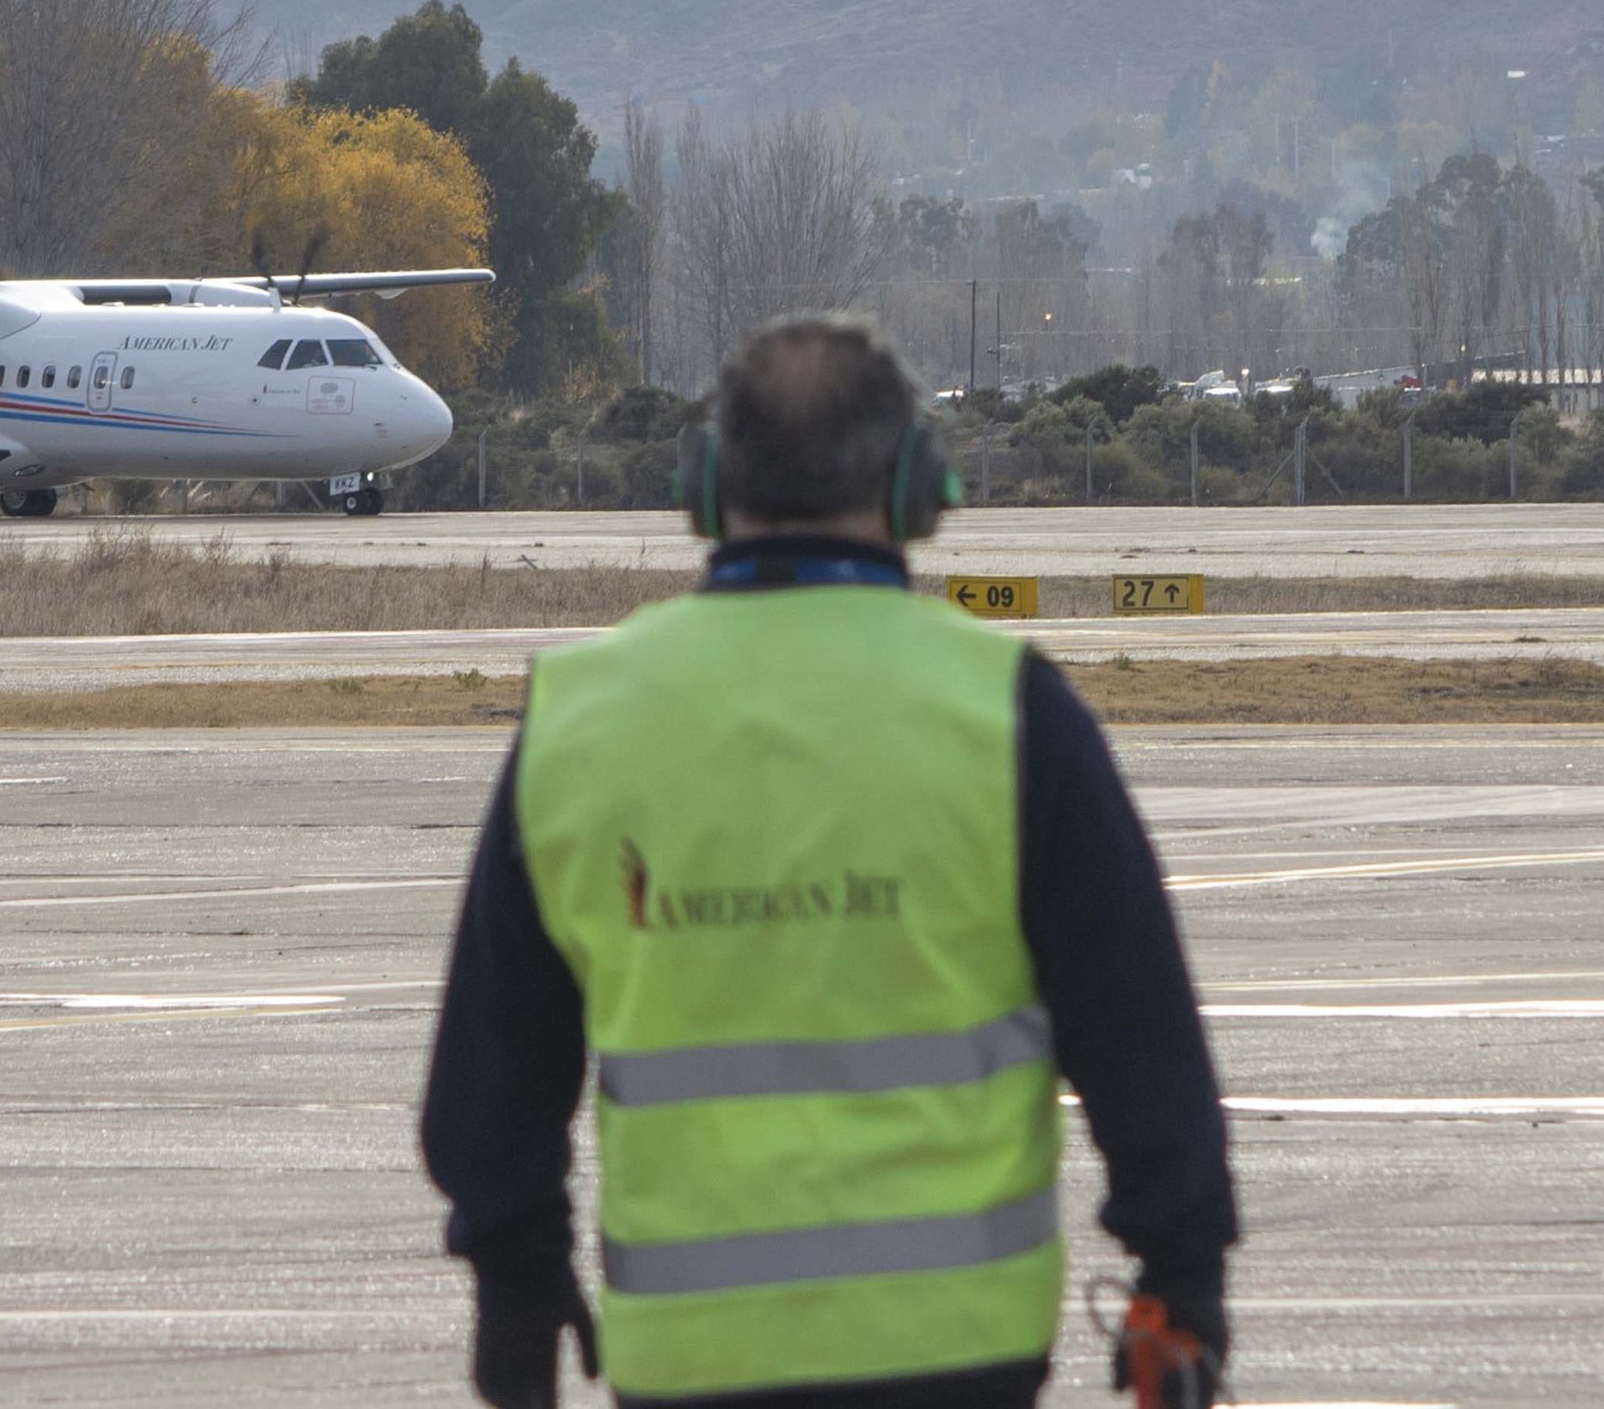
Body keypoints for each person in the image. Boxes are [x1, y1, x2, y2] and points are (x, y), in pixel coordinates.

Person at [420, 317, 1237, 1408]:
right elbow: (1144, 1045)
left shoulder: (581, 720)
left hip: (690, 1356)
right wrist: (1180, 1280)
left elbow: (489, 1077)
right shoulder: (1006, 715)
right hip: (957, 1347)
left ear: (706, 488)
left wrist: (517, 1278)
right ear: (917, 489)